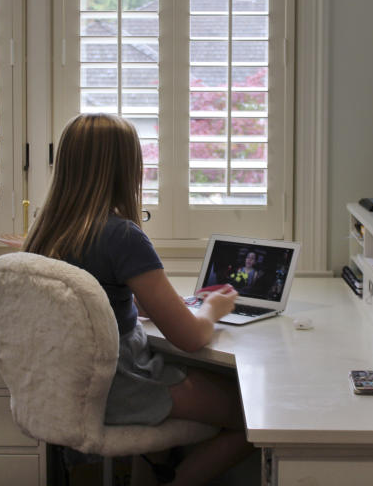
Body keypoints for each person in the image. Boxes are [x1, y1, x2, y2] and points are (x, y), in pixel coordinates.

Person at [24, 113, 254, 485]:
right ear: (127, 170)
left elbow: (92, 303)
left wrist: (138, 302)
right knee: (255, 417)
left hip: (69, 385)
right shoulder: (122, 236)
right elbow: (191, 338)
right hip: (118, 387)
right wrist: (213, 308)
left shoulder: (45, 231)